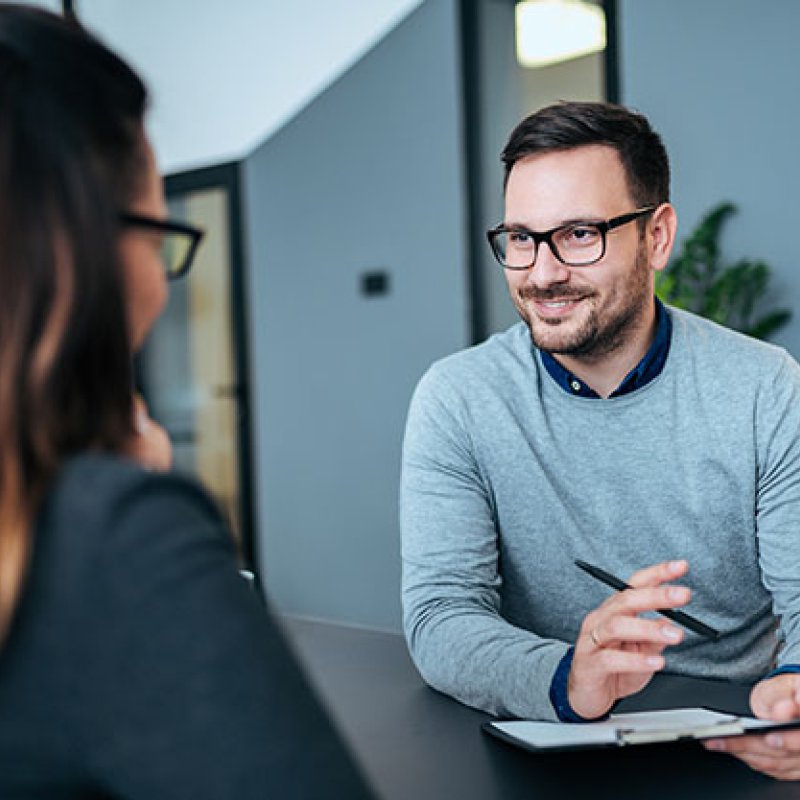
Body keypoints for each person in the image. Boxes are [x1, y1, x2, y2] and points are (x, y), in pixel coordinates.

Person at [0, 6, 374, 798]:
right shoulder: (113, 542)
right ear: (81, 251)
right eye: (156, 235)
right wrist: (124, 499)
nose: (160, 288)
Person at [401, 100, 800, 780]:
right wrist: (568, 676)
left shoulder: (766, 388)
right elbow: (442, 615)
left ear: (657, 236)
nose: (542, 272)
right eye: (521, 238)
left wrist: (793, 688)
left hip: (737, 736)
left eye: (579, 233)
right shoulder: (459, 398)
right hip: (549, 742)